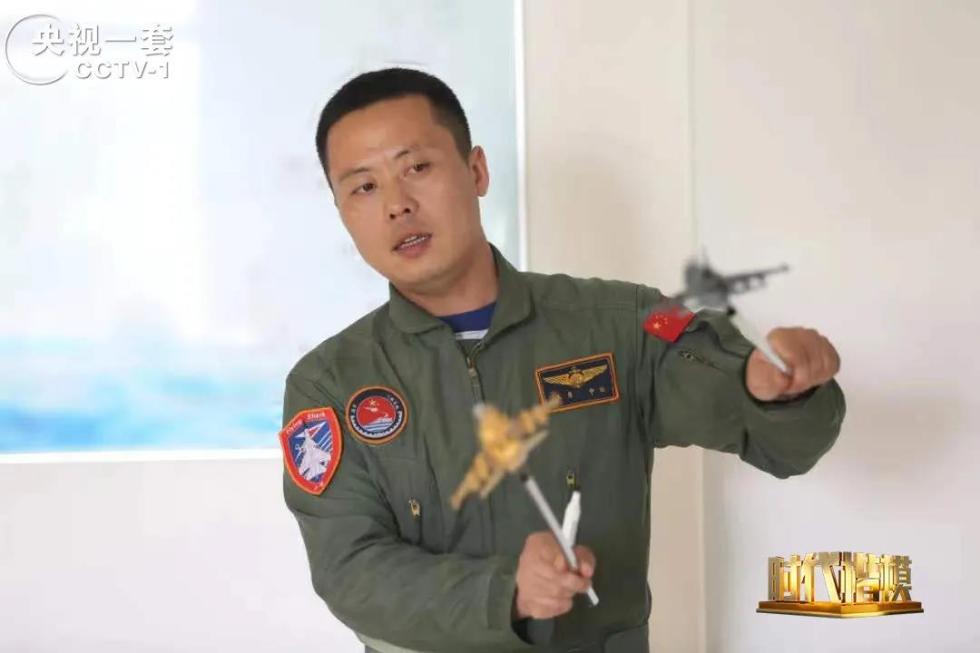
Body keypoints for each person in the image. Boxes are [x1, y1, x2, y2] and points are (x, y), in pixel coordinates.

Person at [280, 67, 845, 653]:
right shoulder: (329, 384)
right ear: (341, 211)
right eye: (364, 188)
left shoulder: (622, 324)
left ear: (476, 171)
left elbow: (782, 442)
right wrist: (506, 593)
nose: (397, 205)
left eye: (417, 167)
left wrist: (778, 390)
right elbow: (350, 570)